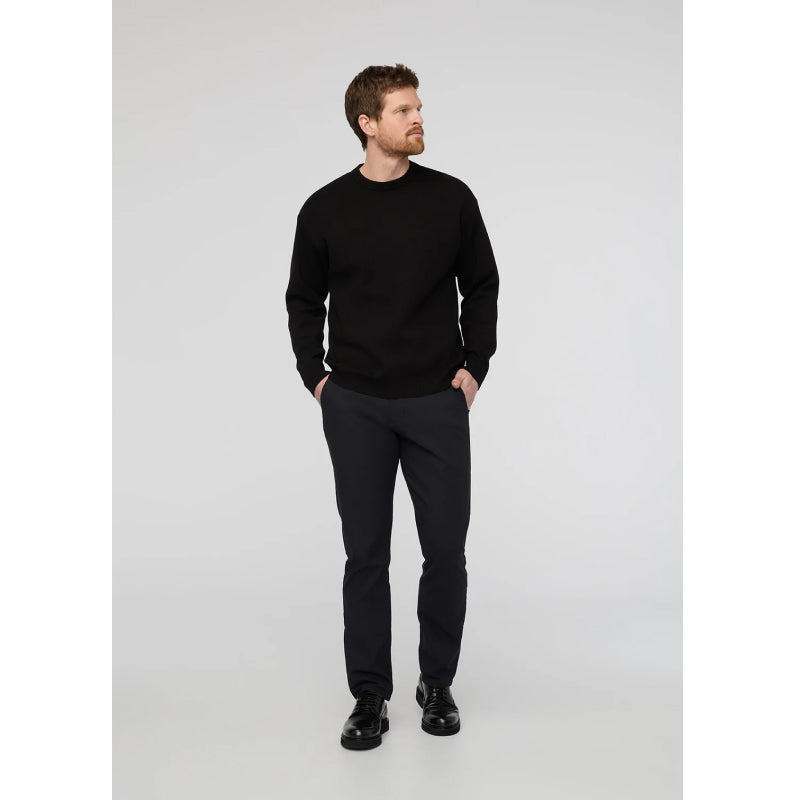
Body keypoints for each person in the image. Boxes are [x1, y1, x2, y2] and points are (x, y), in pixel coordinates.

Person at [285, 63, 500, 750]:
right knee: (366, 554)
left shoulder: (451, 199)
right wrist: (317, 379)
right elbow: (303, 300)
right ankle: (369, 695)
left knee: (445, 552)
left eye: (418, 107)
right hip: (356, 405)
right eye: (403, 110)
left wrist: (473, 368)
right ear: (367, 123)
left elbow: (482, 285)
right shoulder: (325, 209)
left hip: (436, 401)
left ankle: (436, 684)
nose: (418, 118)